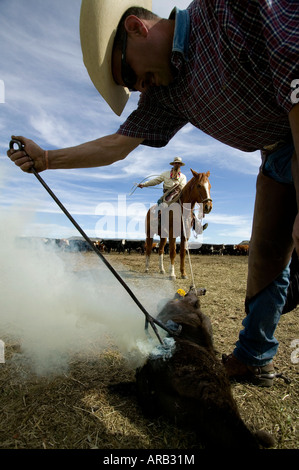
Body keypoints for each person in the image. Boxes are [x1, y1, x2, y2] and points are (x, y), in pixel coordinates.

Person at [7, 0, 299, 386]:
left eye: (130, 75)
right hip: (277, 155)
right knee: (264, 261)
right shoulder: (166, 94)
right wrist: (45, 158)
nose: (137, 87)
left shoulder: (225, 9)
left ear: (135, 28)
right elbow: (117, 145)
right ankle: (253, 357)